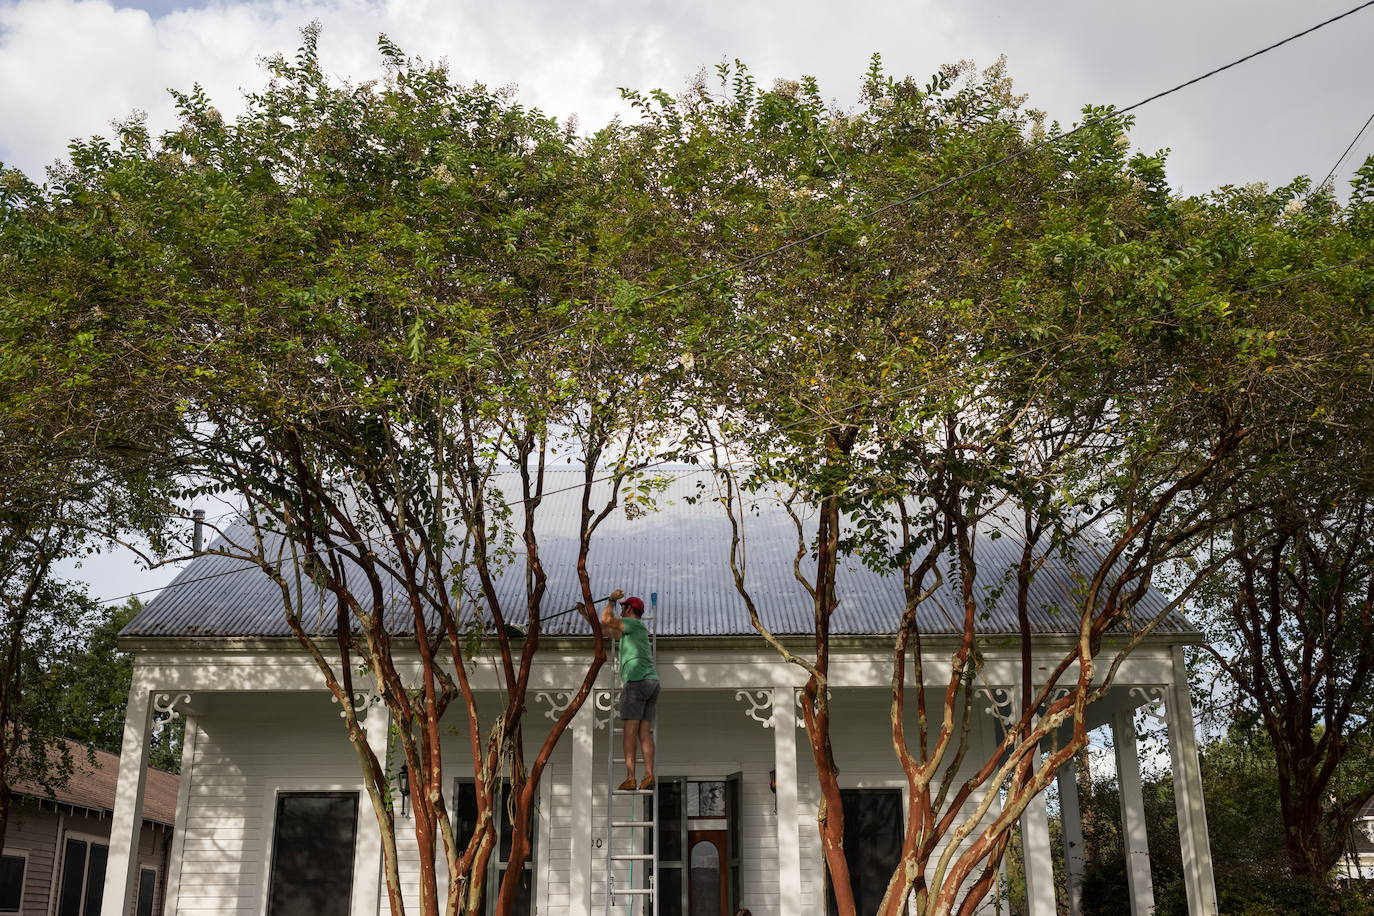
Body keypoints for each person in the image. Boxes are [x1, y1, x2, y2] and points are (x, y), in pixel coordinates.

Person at [600, 588, 659, 790]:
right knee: (644, 732)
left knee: (629, 732)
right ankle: (649, 775)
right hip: (651, 683)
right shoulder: (633, 631)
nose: (621, 610)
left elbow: (608, 620)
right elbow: (606, 630)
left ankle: (631, 777)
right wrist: (586, 615)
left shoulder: (632, 623)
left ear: (629, 609)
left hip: (636, 683)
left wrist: (611, 600)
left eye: (623, 607)